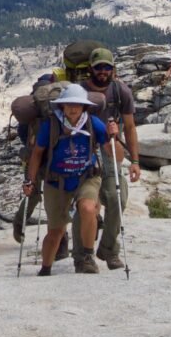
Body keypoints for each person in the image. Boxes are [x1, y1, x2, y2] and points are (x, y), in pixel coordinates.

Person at [23, 84, 109, 275]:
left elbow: (114, 154)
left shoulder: (94, 124)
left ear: (84, 106)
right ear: (62, 106)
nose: (73, 108)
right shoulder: (50, 126)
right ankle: (46, 268)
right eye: (69, 104)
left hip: (86, 177)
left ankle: (87, 257)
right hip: (56, 181)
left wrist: (112, 137)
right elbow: (37, 154)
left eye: (77, 104)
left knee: (88, 208)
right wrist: (30, 180)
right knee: (56, 231)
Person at [82, 48, 139, 271]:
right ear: (91, 69)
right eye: (99, 67)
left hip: (110, 149)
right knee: (87, 204)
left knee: (118, 197)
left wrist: (135, 161)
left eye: (107, 67)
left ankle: (108, 249)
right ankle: (83, 256)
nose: (103, 71)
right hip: (85, 151)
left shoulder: (120, 91)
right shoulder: (80, 91)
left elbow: (130, 127)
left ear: (113, 69)